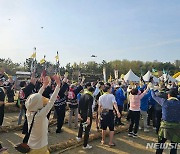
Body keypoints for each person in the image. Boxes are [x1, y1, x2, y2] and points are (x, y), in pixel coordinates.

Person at [25, 75, 60, 154]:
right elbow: (51, 101)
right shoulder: (39, 115)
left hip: (30, 146)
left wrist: (44, 86)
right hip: (40, 148)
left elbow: (35, 98)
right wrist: (58, 86)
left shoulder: (28, 112)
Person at [151, 88, 180, 154]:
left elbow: (154, 96)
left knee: (160, 145)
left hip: (165, 127)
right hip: (176, 127)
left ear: (169, 95)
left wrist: (151, 89)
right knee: (174, 147)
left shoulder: (164, 102)